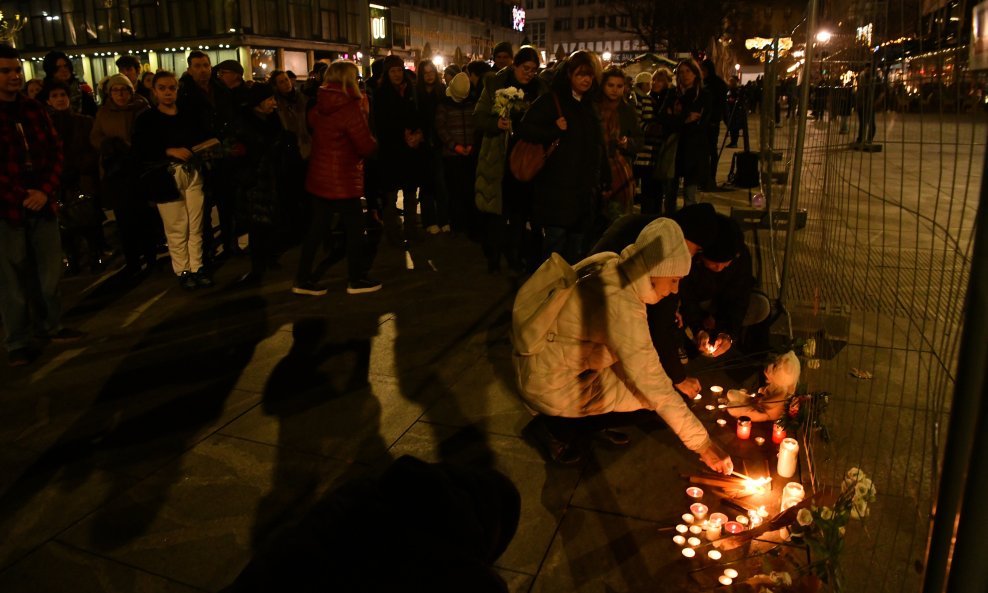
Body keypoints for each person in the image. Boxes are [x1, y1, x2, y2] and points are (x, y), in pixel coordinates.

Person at [515, 217, 733, 472]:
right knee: (651, 401)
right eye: (674, 279)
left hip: (557, 362)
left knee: (649, 389)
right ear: (656, 269)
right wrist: (705, 446)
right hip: (550, 381)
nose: (675, 290)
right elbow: (654, 385)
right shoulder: (620, 302)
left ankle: (591, 421)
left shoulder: (613, 264)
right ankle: (554, 429)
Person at [0, 44, 85, 367]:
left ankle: (50, 324)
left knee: (48, 270)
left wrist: (45, 190)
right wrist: (23, 194)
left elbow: (55, 151)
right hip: (7, 208)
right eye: (5, 71)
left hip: (43, 201)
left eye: (16, 70)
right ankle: (18, 340)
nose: (13, 76)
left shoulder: (32, 109)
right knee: (11, 278)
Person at [294, 60, 380, 296]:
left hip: (320, 177)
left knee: (316, 230)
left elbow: (314, 126)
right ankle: (356, 278)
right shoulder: (351, 108)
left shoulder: (321, 105)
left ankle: (302, 279)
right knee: (355, 229)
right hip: (343, 178)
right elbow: (365, 145)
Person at [518, 50, 606, 265]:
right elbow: (525, 129)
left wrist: (602, 178)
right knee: (554, 247)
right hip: (555, 189)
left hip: (582, 190)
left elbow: (596, 145)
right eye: (580, 74)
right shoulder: (551, 101)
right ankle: (547, 291)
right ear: (569, 75)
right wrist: (553, 131)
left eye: (589, 75)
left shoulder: (589, 105)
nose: (586, 79)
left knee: (576, 249)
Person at [132, 71, 212, 291]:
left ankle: (197, 266)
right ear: (155, 91)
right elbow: (140, 149)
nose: (168, 92)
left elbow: (201, 137)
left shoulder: (188, 114)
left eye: (172, 88)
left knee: (196, 224)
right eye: (163, 88)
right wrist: (168, 150)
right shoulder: (146, 119)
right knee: (177, 227)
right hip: (165, 178)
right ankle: (183, 270)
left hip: (192, 173)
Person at [475, 46, 548, 272]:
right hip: (498, 155)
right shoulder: (495, 84)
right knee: (496, 211)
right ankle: (494, 255)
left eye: (534, 70)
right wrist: (495, 123)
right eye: (525, 68)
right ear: (515, 65)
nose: (529, 74)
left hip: (526, 158)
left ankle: (515, 254)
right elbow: (479, 116)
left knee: (519, 211)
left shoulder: (539, 90)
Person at [232, 83, 298, 285]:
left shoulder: (273, 120)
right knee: (257, 226)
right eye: (270, 99)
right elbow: (238, 153)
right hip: (255, 183)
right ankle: (256, 268)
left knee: (271, 224)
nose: (274, 103)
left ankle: (269, 257)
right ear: (258, 103)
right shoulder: (244, 124)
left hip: (274, 179)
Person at [91, 73, 154, 276]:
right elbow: (95, 136)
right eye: (116, 90)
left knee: (145, 218)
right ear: (110, 93)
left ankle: (150, 257)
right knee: (124, 221)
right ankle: (132, 261)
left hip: (139, 170)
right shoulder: (103, 113)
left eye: (124, 89)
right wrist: (110, 146)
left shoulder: (142, 108)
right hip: (116, 173)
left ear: (131, 91)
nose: (120, 94)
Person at [43, 82, 104, 275]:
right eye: (55, 96)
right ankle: (73, 259)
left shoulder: (84, 121)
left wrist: (78, 166)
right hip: (58, 181)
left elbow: (94, 149)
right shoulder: (45, 125)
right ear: (48, 100)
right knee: (65, 225)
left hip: (82, 178)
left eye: (63, 95)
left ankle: (95, 256)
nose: (60, 99)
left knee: (88, 220)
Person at [372, 55, 422, 245]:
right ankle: (392, 232)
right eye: (393, 71)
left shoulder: (411, 89)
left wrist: (417, 133)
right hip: (391, 150)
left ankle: (411, 228)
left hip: (410, 150)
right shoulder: (381, 92)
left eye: (399, 70)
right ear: (387, 73)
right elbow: (382, 123)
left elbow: (416, 113)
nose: (397, 74)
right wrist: (403, 133)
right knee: (390, 194)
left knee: (410, 192)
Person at [596, 66, 642, 225]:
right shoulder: (594, 108)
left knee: (618, 218)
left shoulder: (627, 111)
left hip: (620, 168)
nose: (615, 90)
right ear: (603, 85)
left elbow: (638, 139)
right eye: (611, 85)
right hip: (596, 167)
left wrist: (627, 143)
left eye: (619, 86)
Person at [436, 72, 479, 238]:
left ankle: (468, 223)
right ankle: (457, 223)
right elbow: (441, 129)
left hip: (469, 153)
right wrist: (456, 146)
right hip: (451, 155)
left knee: (469, 189)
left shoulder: (472, 103)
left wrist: (471, 145)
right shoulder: (444, 105)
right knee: (455, 190)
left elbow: (475, 125)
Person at [413, 59, 449, 234]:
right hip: (423, 144)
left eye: (431, 72)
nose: (429, 76)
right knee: (426, 183)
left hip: (440, 143)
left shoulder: (441, 91)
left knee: (441, 183)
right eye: (425, 73)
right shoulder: (416, 93)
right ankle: (429, 221)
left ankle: (444, 219)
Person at [673, 60, 710, 209]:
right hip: (675, 147)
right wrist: (685, 119)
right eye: (681, 72)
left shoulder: (703, 95)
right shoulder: (674, 95)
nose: (685, 75)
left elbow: (702, 121)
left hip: (694, 149)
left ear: (695, 74)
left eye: (688, 71)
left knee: (690, 195)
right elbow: (665, 119)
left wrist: (679, 118)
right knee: (670, 194)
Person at [647, 68, 680, 214]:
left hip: (666, 143)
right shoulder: (650, 97)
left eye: (659, 80)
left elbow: (665, 120)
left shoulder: (670, 97)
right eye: (654, 79)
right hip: (651, 147)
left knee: (667, 181)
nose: (655, 83)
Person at [41, 51, 97, 117]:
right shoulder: (41, 98)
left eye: (65, 66)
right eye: (58, 67)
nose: (63, 70)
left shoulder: (84, 97)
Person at [700, 59, 727, 190]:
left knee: (711, 150)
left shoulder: (716, 84)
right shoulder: (703, 83)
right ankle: (704, 177)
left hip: (711, 122)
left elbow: (720, 104)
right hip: (703, 122)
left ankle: (711, 178)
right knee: (704, 152)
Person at [724, 75, 747, 148]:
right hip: (730, 110)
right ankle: (732, 141)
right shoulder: (729, 90)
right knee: (731, 127)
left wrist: (732, 100)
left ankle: (734, 142)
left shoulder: (736, 90)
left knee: (734, 128)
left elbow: (739, 100)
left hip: (735, 112)